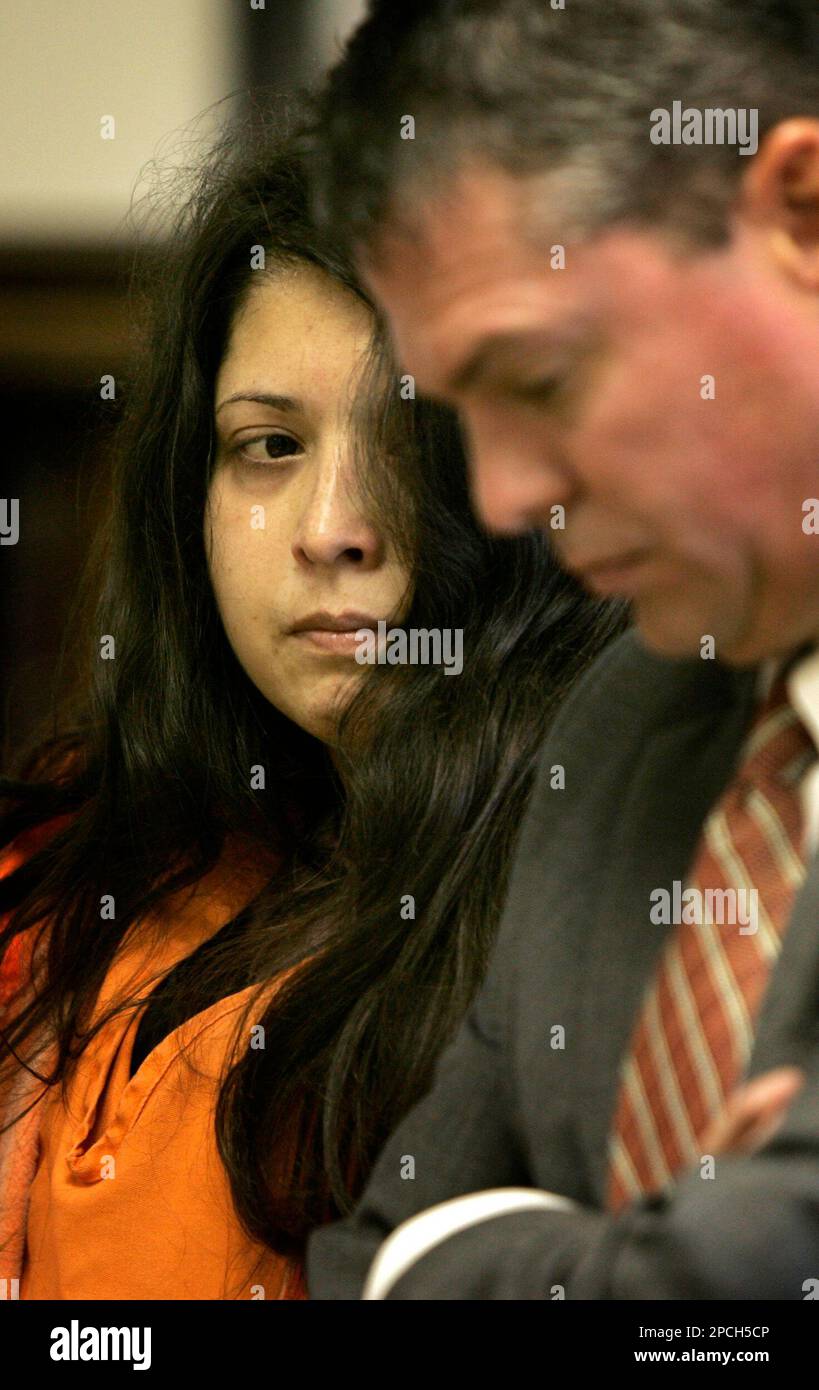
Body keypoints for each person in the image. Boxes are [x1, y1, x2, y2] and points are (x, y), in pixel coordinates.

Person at [0, 111, 619, 1299]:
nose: (332, 526)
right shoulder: (111, 857)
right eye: (269, 444)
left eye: (410, 441)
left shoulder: (593, 918)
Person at [305, 0, 819, 1298]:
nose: (496, 498)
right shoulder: (625, 713)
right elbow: (364, 1248)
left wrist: (474, 1258)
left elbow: (742, 1279)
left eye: (534, 380)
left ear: (798, 212)